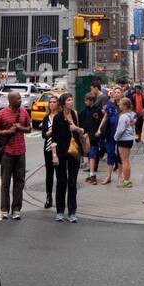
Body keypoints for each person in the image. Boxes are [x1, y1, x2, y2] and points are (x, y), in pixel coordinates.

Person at [0, 91, 31, 219]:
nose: (20, 100)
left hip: (21, 152)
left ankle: (16, 210)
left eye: (20, 98)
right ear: (11, 100)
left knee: (19, 182)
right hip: (7, 153)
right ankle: (4, 210)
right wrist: (7, 131)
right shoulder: (1, 114)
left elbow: (29, 128)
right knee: (5, 182)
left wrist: (21, 128)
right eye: (18, 98)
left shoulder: (24, 112)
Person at [52, 92, 84, 222]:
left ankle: (72, 212)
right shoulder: (58, 118)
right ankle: (60, 211)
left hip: (74, 153)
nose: (71, 102)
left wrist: (77, 128)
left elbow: (81, 131)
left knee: (72, 183)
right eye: (69, 100)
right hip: (60, 153)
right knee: (61, 182)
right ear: (63, 103)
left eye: (71, 99)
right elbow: (53, 138)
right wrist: (54, 155)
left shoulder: (75, 114)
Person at [96, 85, 120, 185]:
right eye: (115, 92)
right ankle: (108, 176)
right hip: (110, 133)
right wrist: (99, 129)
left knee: (121, 154)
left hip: (121, 134)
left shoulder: (124, 103)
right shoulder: (110, 104)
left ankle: (121, 176)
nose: (117, 94)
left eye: (119, 92)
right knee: (110, 152)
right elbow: (105, 117)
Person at [41, 95, 60, 208]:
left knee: (60, 173)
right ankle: (49, 197)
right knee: (49, 173)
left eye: (54, 102)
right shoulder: (46, 118)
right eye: (50, 102)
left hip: (60, 148)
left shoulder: (61, 116)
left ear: (58, 104)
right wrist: (51, 131)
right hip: (48, 148)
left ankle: (59, 198)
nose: (52, 104)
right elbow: (44, 134)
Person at [78, 91, 101, 184]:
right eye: (85, 100)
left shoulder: (98, 111)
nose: (85, 102)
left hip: (94, 138)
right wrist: (83, 134)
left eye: (86, 100)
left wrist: (96, 133)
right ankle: (90, 174)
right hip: (85, 137)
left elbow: (99, 124)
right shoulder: (83, 111)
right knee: (89, 155)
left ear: (91, 100)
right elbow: (81, 124)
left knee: (92, 155)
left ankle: (92, 175)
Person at [115, 96, 135, 187]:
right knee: (126, 160)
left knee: (124, 161)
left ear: (125, 106)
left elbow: (120, 130)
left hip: (123, 140)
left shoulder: (123, 116)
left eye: (121, 104)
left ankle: (126, 181)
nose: (119, 105)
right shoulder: (131, 115)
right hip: (129, 139)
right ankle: (127, 179)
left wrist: (116, 137)